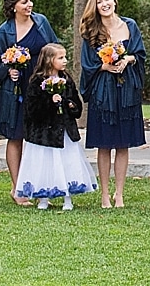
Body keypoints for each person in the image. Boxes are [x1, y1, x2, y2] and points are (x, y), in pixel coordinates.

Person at [0, 0, 59, 205]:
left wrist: (54, 75)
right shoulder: (4, 31)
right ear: (13, 6)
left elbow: (55, 48)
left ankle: (39, 184)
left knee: (38, 136)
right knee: (16, 135)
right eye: (24, 2)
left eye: (30, 1)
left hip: (39, 85)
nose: (29, 5)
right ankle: (17, 187)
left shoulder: (41, 23)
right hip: (16, 89)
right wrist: (7, 71)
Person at [78, 0, 147, 209]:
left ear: (114, 1)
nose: (105, 4)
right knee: (105, 144)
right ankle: (105, 195)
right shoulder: (91, 31)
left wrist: (127, 60)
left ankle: (120, 193)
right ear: (95, 7)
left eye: (107, 0)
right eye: (100, 2)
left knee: (123, 144)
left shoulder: (130, 26)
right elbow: (87, 63)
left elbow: (140, 54)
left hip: (126, 90)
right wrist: (105, 66)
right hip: (103, 91)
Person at [14, 43, 96, 210]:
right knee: (44, 163)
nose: (65, 61)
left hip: (64, 130)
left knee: (67, 162)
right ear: (49, 60)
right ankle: (43, 197)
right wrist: (49, 102)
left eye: (65, 57)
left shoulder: (66, 79)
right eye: (61, 57)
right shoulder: (37, 81)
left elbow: (76, 102)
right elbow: (31, 109)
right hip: (43, 133)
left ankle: (67, 198)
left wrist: (70, 105)